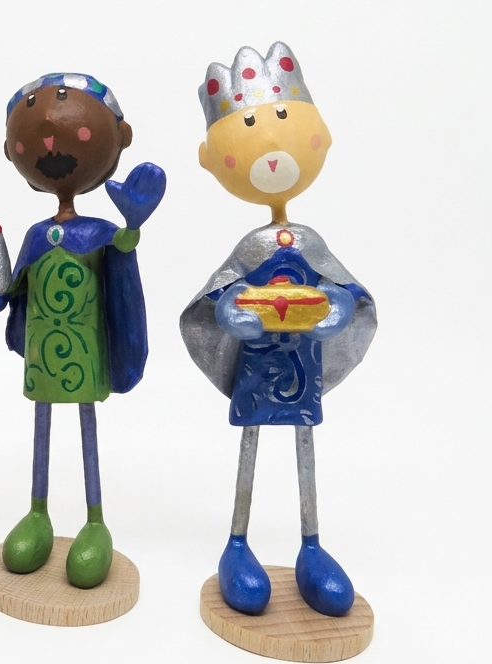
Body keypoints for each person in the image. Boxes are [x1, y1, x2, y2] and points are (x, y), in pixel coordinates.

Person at [180, 43, 377, 616]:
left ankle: (311, 545)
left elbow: (348, 292)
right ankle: (238, 542)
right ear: (212, 159)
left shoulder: (308, 242)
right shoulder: (253, 247)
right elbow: (214, 297)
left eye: (283, 119)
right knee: (251, 446)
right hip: (257, 368)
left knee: (303, 447)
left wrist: (335, 309)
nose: (269, 150)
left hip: (302, 366)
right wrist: (232, 314)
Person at [0, 73, 165, 588]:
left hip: (86, 355)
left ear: (118, 138)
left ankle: (95, 521)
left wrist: (133, 225)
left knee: (86, 428)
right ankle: (38, 512)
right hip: (42, 358)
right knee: (42, 430)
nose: (51, 132)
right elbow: (17, 286)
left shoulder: (98, 233)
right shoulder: (36, 235)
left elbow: (122, 252)